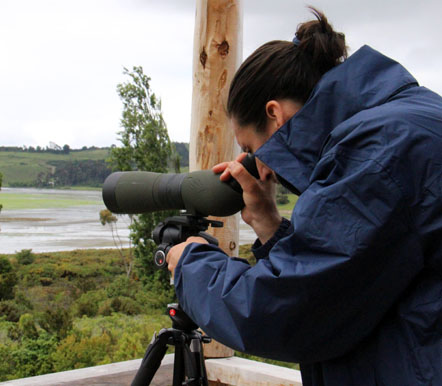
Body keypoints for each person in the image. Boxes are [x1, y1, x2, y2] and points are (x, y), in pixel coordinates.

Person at [166, 8, 441, 386]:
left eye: (252, 147)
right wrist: (269, 225)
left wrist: (190, 265)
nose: (260, 168)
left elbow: (292, 312)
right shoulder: (404, 121)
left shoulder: (375, 152)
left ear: (275, 115)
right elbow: (350, 276)